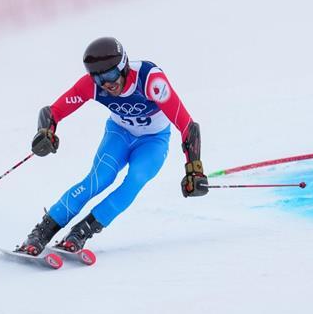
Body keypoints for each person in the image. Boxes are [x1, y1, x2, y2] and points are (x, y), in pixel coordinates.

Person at [18, 36, 208, 255]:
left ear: (123, 67)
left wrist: (194, 169)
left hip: (153, 141)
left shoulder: (150, 81)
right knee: (98, 179)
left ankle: (82, 232)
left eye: (110, 75)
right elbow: (53, 111)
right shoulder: (93, 85)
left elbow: (187, 125)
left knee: (135, 180)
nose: (106, 84)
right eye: (98, 79)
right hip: (119, 134)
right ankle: (42, 232)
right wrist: (46, 131)